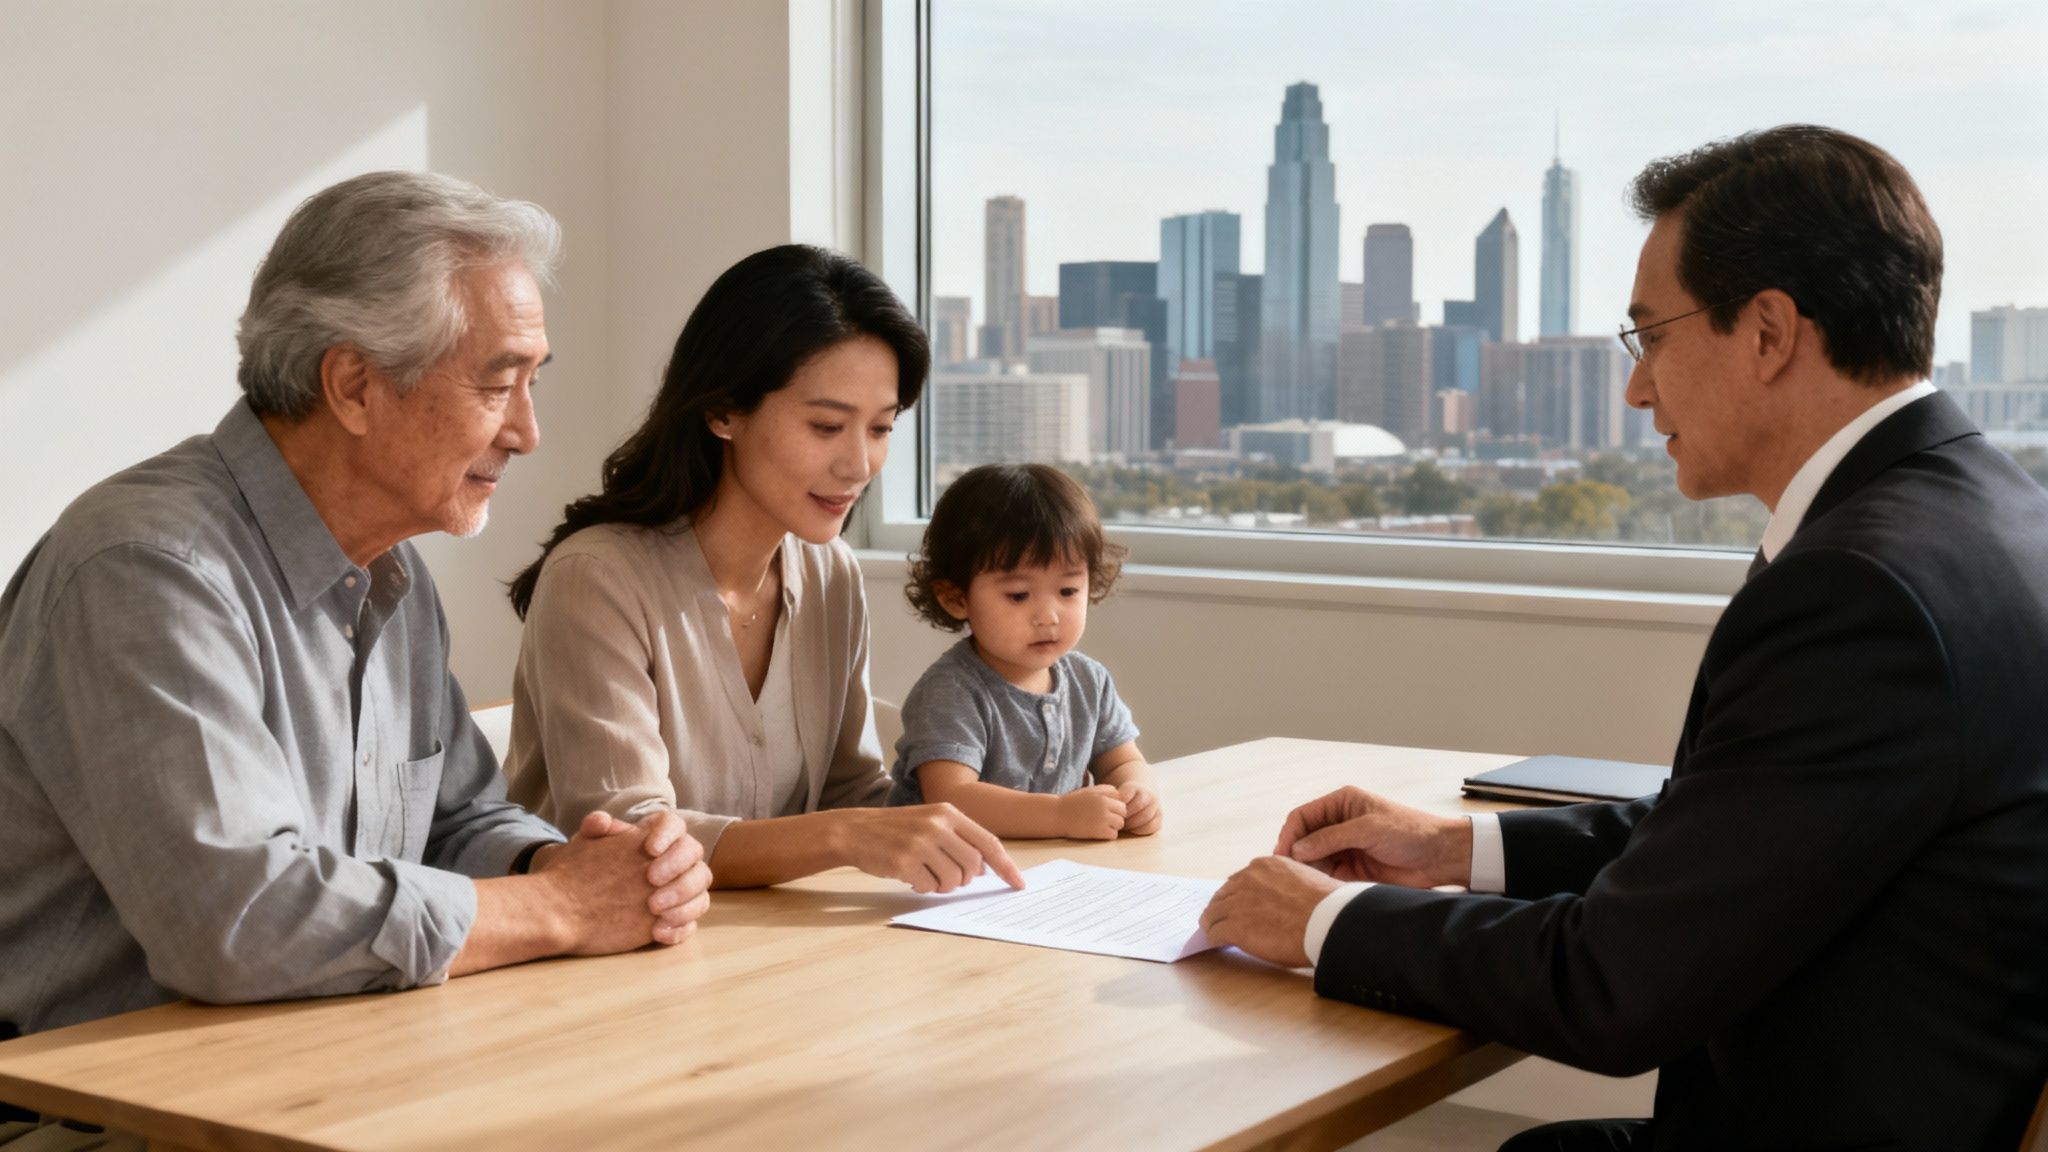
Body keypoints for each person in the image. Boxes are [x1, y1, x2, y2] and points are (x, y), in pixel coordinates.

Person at [1200, 125, 2048, 1151]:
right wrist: (1456, 848)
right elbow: (1741, 829)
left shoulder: (1858, 590)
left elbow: (1613, 986)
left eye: (1651, 337)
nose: (1637, 388)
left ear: (1768, 332)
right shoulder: (1991, 517)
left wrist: (1320, 922)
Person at [0, 173, 713, 1049]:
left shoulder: (389, 570)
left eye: (534, 384)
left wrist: (558, 861)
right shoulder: (147, 570)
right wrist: (560, 906)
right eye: (499, 385)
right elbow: (240, 923)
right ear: (353, 386)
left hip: (321, 1061)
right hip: (95, 1102)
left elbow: (457, 819)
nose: (527, 433)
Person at [503, 245, 1023, 895]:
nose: (858, 465)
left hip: (769, 939)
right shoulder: (597, 578)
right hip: (600, 943)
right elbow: (629, 837)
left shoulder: (831, 574)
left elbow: (849, 790)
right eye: (826, 426)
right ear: (724, 410)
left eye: (881, 429)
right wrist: (843, 835)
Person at [887, 463, 1160, 840]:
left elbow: (1122, 761)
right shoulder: (951, 692)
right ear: (955, 597)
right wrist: (1061, 815)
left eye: (1067, 591)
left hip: (1042, 865)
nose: (1048, 616)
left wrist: (1137, 794)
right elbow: (952, 798)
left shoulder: (1089, 681)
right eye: (1018, 595)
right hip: (939, 865)